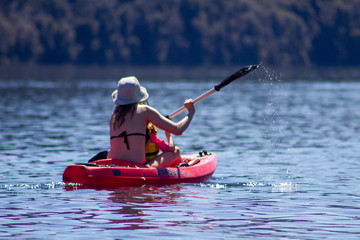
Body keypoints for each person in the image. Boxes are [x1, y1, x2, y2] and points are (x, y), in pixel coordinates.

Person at [107, 76, 195, 168]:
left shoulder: (115, 115)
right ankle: (181, 167)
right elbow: (178, 130)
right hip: (137, 167)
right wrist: (191, 111)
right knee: (175, 152)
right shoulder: (145, 110)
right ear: (139, 95)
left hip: (113, 164)